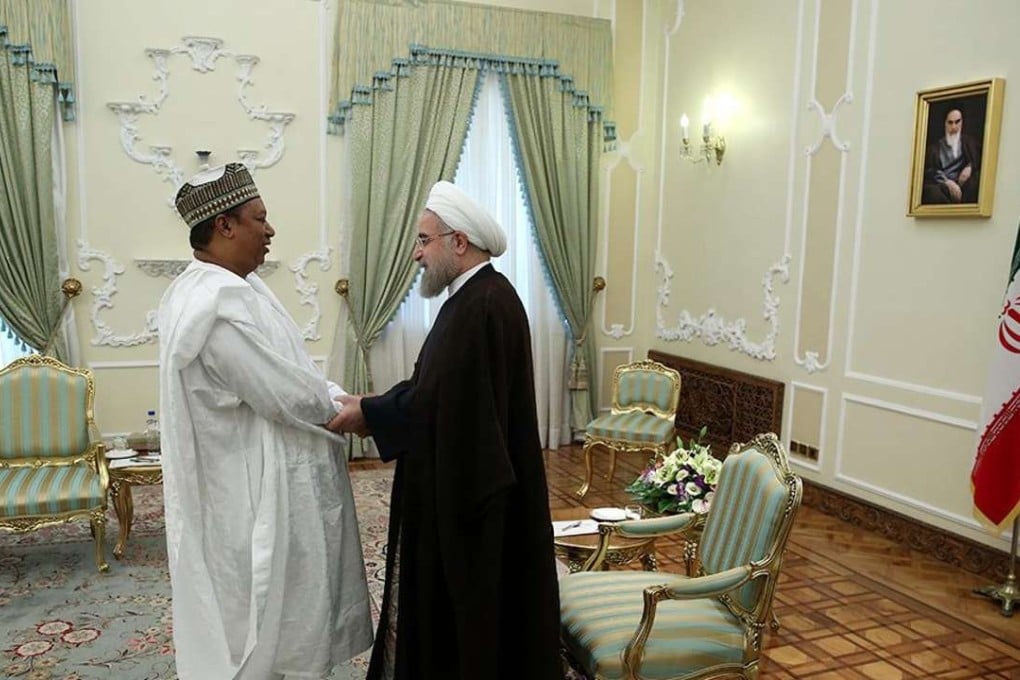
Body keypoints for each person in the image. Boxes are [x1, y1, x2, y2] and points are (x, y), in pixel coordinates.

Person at [329, 181, 561, 680]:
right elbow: (431, 388)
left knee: (470, 619)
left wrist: (369, 413)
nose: (416, 254)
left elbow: (445, 406)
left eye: (423, 240)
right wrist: (372, 404)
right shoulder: (472, 299)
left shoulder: (482, 305)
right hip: (460, 487)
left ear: (458, 242)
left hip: (474, 503)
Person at [158, 163, 372, 679]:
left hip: (275, 472)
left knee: (288, 599)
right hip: (251, 488)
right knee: (262, 603)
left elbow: (294, 368)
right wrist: (353, 410)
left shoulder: (243, 287)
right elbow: (278, 391)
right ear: (225, 226)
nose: (270, 230)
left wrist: (338, 394)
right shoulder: (210, 303)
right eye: (260, 218)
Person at [922, 106, 981, 204]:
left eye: (957, 122)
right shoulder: (935, 148)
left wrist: (970, 167)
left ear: (962, 122)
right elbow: (931, 171)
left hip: (965, 186)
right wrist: (948, 182)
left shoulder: (970, 143)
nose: (954, 127)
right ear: (945, 124)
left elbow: (979, 160)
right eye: (950, 123)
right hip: (943, 186)